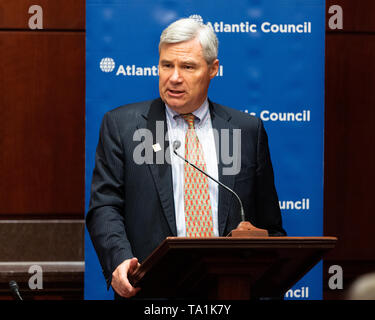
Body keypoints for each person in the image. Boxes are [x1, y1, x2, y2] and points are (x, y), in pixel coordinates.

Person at [86, 17, 286, 299]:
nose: (174, 77)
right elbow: (104, 207)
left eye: (188, 67)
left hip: (229, 292)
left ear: (213, 69)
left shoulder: (246, 131)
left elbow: (270, 225)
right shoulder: (123, 126)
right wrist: (119, 259)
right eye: (167, 65)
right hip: (151, 292)